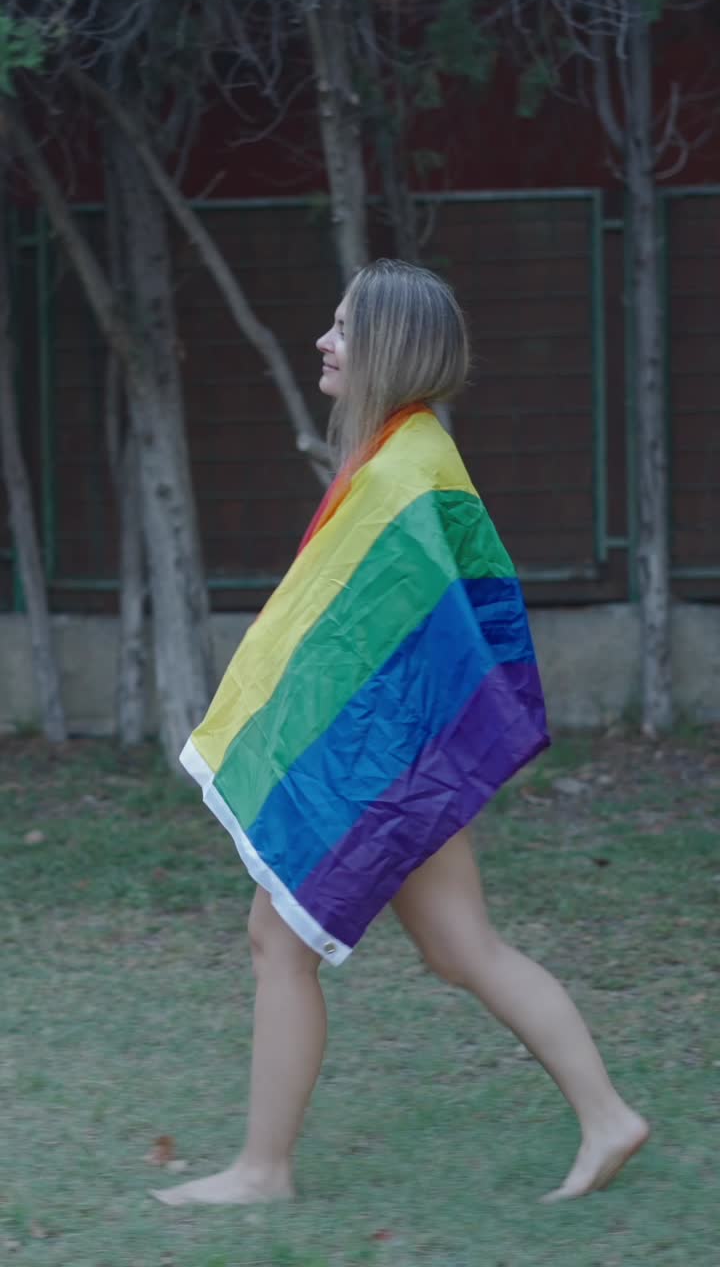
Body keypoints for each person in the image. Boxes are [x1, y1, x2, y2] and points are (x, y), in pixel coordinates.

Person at [153, 260, 648, 1209]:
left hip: (391, 763)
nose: (324, 343)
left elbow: (395, 644)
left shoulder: (402, 471)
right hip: (405, 760)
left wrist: (351, 754)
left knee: (280, 937)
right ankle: (608, 1115)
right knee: (462, 949)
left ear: (388, 346)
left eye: (342, 328)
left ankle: (264, 1170)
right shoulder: (403, 456)